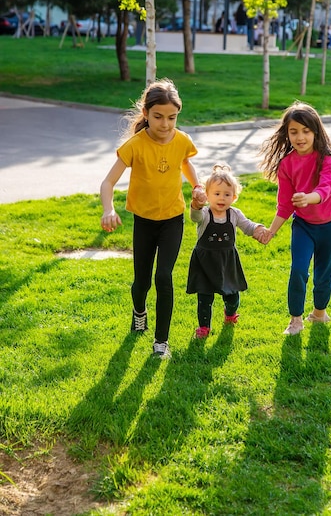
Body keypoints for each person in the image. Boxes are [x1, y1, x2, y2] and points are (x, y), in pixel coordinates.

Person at [100, 78, 206, 359]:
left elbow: (185, 161)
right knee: (142, 281)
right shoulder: (136, 144)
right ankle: (139, 311)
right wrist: (108, 209)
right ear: (146, 114)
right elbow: (108, 183)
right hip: (144, 222)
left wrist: (197, 187)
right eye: (158, 117)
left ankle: (161, 342)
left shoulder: (181, 140)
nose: (166, 124)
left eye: (172, 117)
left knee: (164, 276)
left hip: (173, 219)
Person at [259, 102, 331, 335]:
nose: (300, 137)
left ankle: (319, 313)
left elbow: (326, 188)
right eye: (294, 131)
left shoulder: (327, 159)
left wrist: (309, 198)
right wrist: (271, 231)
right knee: (298, 270)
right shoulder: (286, 165)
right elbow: (285, 205)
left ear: (316, 132)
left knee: (323, 274)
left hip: (330, 224)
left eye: (306, 131)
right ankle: (295, 320)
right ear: (287, 134)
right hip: (304, 225)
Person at [186, 164, 267, 339]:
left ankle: (230, 313)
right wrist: (196, 204)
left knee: (232, 295)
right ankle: (204, 327)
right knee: (204, 297)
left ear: (234, 197)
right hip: (204, 262)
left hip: (227, 261)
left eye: (227, 194)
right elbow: (195, 217)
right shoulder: (205, 214)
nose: (221, 198)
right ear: (207, 195)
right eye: (216, 194)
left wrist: (258, 229)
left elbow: (247, 226)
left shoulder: (234, 214)